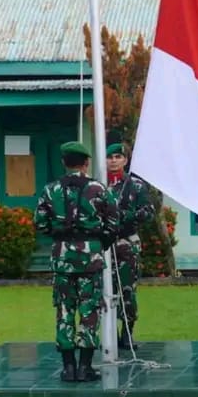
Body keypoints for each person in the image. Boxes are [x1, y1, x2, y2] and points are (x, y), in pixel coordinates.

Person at [34, 141, 119, 383]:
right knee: (89, 310)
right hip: (90, 257)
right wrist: (97, 243)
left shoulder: (51, 190)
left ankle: (68, 368)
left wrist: (61, 237)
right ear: (86, 163)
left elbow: (40, 223)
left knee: (64, 310)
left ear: (64, 162)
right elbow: (113, 223)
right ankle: (85, 367)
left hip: (62, 258)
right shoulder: (99, 189)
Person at [106, 142, 156, 349]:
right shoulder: (98, 185)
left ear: (125, 160)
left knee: (127, 289)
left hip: (126, 243)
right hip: (103, 245)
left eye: (118, 157)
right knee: (105, 290)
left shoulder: (135, 186)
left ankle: (127, 331)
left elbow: (148, 212)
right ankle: (108, 334)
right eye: (110, 157)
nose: (114, 161)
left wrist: (126, 216)